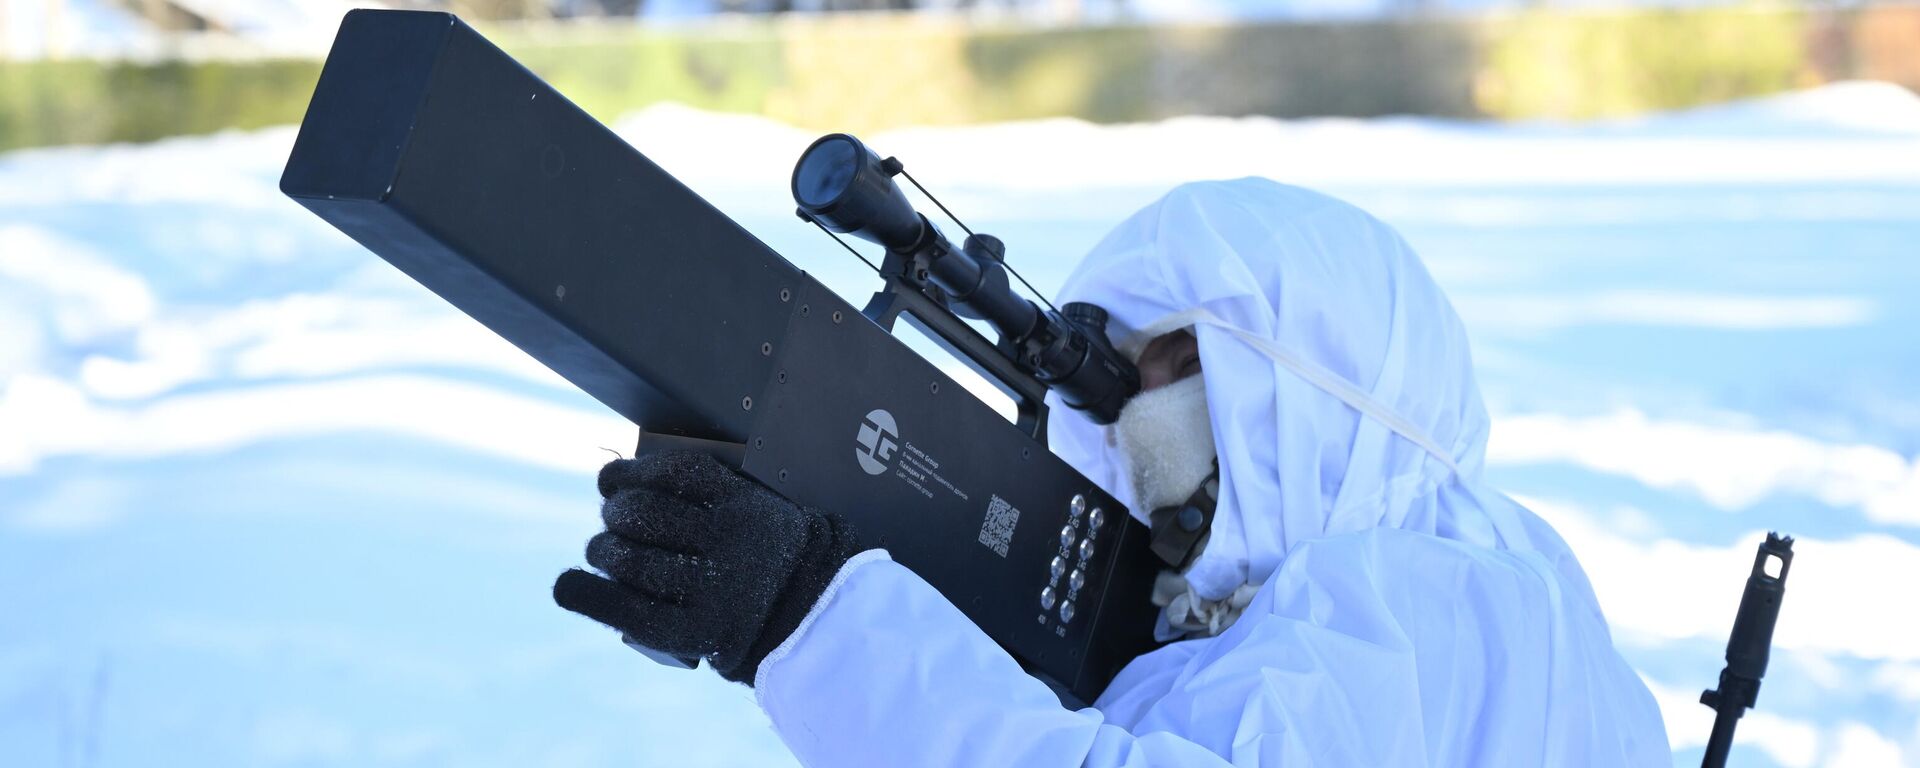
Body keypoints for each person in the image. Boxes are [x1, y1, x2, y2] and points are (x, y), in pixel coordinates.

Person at [554, 178, 1672, 765]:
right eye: (1134, 385)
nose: (1147, 425)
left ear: (1320, 382)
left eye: (1193, 366)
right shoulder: (1493, 575)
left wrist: (818, 622)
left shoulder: (1409, 604)